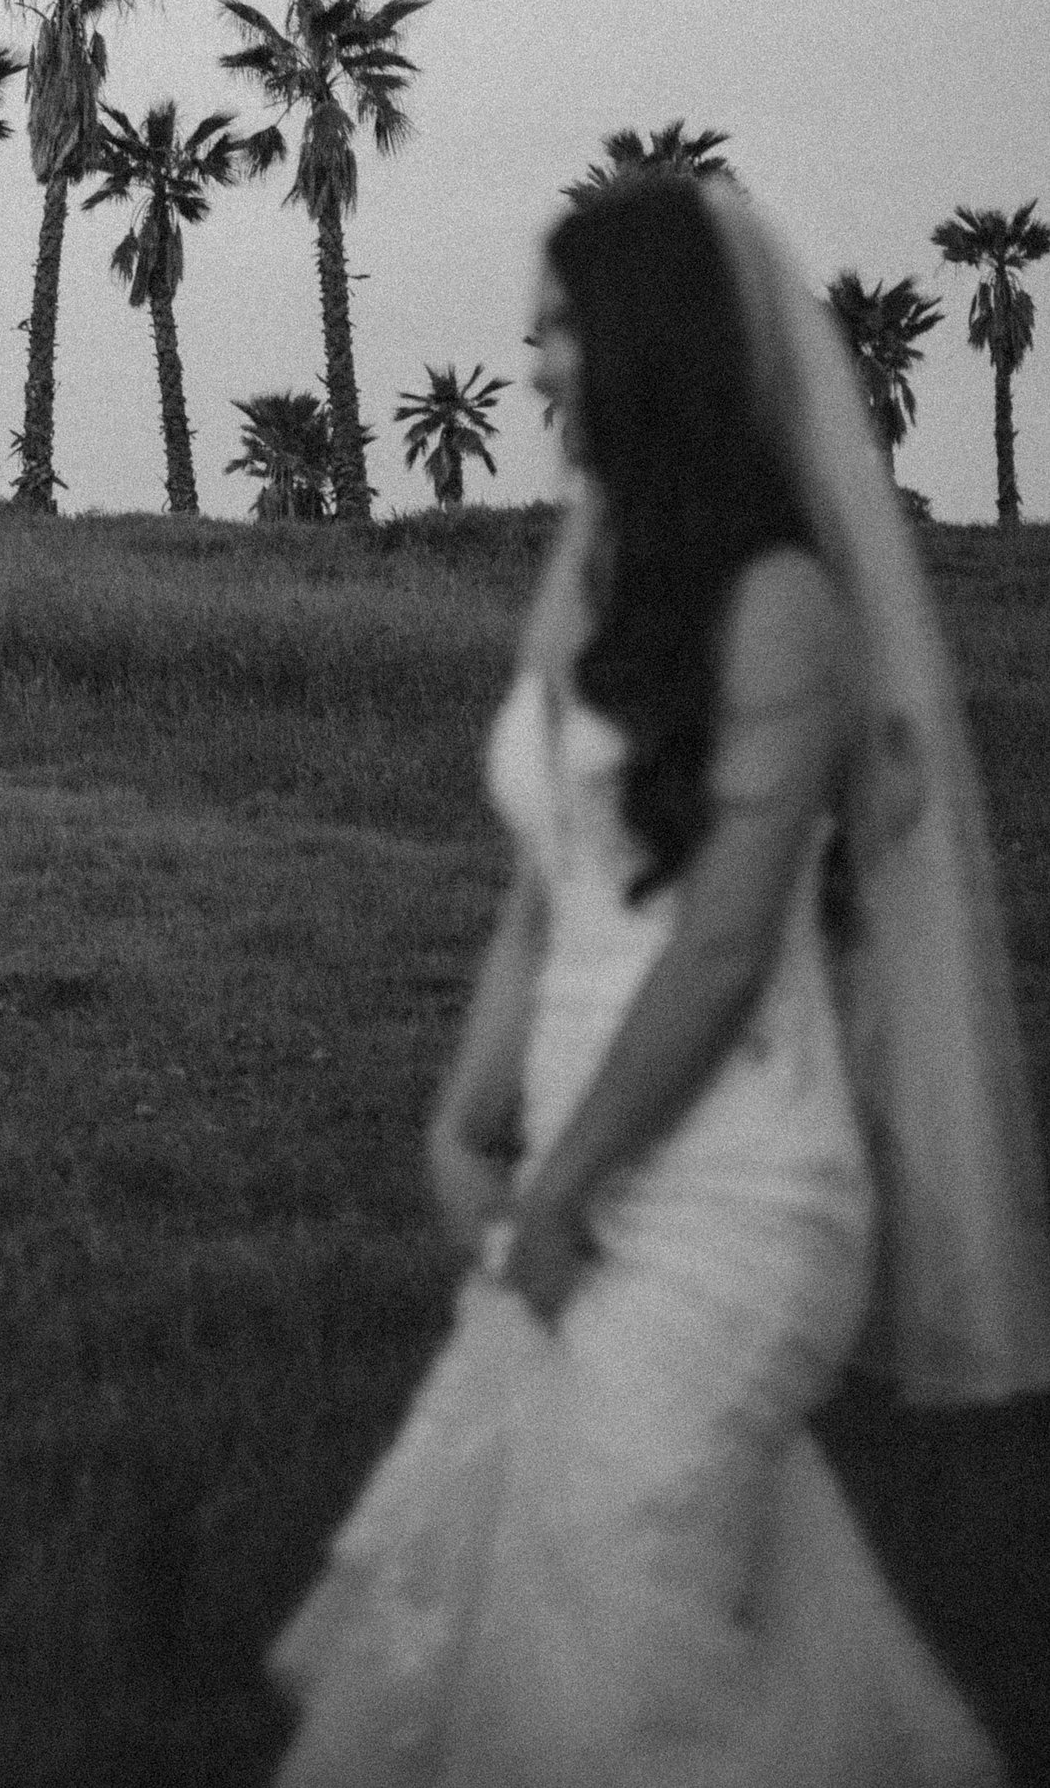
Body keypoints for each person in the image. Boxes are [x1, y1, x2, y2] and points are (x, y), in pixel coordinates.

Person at [269, 173, 1050, 1786]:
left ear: (642, 343)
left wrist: (565, 1189)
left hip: (735, 1187)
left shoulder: (783, 602)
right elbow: (546, 886)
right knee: (527, 1623)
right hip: (569, 1165)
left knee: (613, 1667)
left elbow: (721, 945)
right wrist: (462, 1120)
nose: (534, 359)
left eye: (558, 326)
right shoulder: (590, 568)